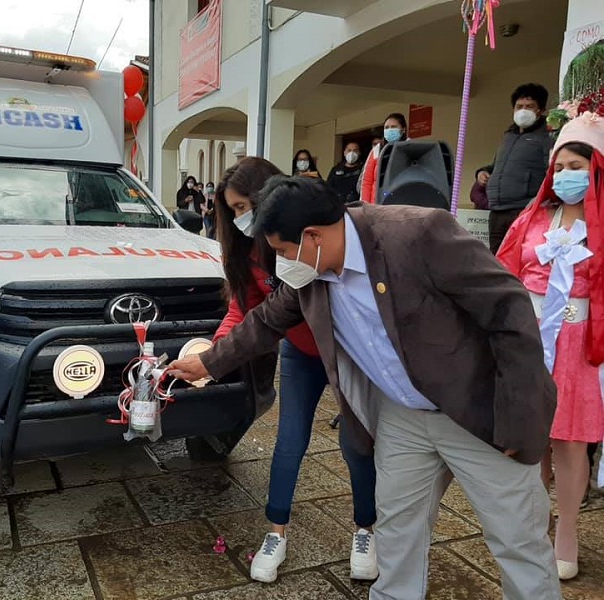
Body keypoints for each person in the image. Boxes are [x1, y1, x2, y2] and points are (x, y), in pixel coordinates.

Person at [169, 176, 561, 600]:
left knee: (516, 537)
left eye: (283, 251)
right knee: (396, 529)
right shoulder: (311, 273)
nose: (282, 264)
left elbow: (509, 309)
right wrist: (206, 362)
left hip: (476, 407)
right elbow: (264, 322)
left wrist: (520, 420)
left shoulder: (418, 233)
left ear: (313, 236)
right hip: (402, 415)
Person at [213, 157, 378, 583]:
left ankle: (365, 529)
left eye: (244, 206)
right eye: (232, 211)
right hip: (300, 355)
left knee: (355, 444)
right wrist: (212, 353)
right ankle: (276, 532)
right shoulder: (247, 252)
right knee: (288, 442)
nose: (241, 219)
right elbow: (244, 312)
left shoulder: (310, 240)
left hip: (345, 352)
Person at [497, 109, 604, 582]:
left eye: (575, 167)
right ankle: (534, 524)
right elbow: (503, 272)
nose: (565, 176)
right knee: (533, 439)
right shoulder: (532, 218)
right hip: (529, 338)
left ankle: (567, 531)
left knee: (570, 440)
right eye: (558, 168)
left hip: (579, 343)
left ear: (596, 170)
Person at [476, 83, 554, 253]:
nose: (523, 110)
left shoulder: (546, 137)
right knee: (496, 259)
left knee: (518, 257)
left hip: (523, 210)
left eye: (529, 106)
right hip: (496, 210)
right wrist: (483, 173)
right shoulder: (508, 136)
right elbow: (496, 166)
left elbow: (551, 172)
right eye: (519, 106)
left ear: (540, 110)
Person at [360, 114, 408, 204]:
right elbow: (367, 181)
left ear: (403, 129)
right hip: (377, 205)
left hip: (402, 204)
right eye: (386, 128)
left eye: (393, 127)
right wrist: (365, 205)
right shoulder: (377, 150)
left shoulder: (411, 148)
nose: (389, 130)